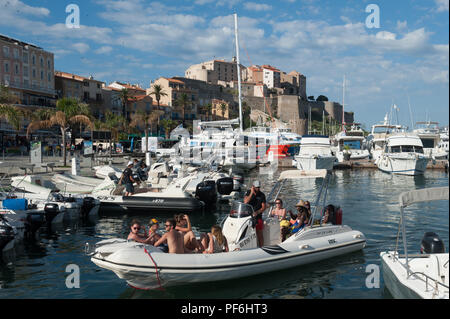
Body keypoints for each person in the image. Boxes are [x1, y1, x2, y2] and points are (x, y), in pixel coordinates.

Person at [244, 180, 267, 247]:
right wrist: (251, 192)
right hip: (248, 217)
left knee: (259, 233)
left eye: (259, 187)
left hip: (258, 217)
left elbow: (263, 207)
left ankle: (261, 247)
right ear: (253, 187)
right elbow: (245, 202)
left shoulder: (262, 195)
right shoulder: (248, 192)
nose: (258, 188)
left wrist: (258, 212)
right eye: (257, 187)